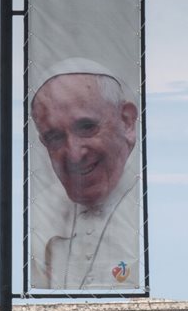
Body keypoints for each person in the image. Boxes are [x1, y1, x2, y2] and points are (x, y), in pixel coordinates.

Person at [30, 58, 141, 291]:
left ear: (127, 122)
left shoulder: (151, 206)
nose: (74, 154)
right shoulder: (40, 214)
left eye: (86, 127)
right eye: (55, 137)